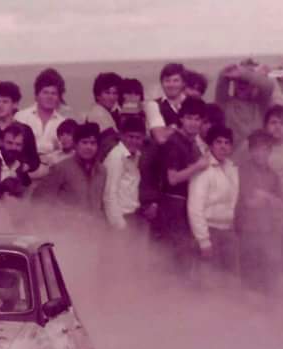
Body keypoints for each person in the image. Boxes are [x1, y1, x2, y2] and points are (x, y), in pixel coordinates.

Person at [153, 97, 209, 272]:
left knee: (185, 256)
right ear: (182, 119)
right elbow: (173, 178)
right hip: (173, 204)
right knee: (176, 257)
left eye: (197, 119)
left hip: (185, 204)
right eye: (189, 118)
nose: (193, 123)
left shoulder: (192, 143)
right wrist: (197, 166)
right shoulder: (174, 143)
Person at [187, 125, 240, 281]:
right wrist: (204, 241)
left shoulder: (232, 168)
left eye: (227, 143)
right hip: (209, 232)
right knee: (209, 282)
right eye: (218, 142)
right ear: (210, 145)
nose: (223, 146)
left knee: (230, 280)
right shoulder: (204, 168)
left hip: (228, 231)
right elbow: (195, 208)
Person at [235, 130, 283, 294]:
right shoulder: (242, 170)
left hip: (268, 231)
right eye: (256, 149)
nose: (260, 153)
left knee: (269, 276)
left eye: (264, 149)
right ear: (250, 151)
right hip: (247, 231)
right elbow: (250, 202)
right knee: (249, 277)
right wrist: (270, 199)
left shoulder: (274, 175)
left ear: (270, 151)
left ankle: (267, 308)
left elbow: (280, 204)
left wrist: (266, 196)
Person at [35, 122, 106, 216]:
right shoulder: (62, 168)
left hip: (93, 223)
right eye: (84, 142)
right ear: (75, 145)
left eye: (93, 143)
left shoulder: (102, 171)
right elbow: (40, 199)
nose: (89, 147)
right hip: (65, 223)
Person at [15, 68, 73, 170]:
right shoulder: (21, 117)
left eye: (53, 93)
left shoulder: (63, 123)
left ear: (59, 97)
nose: (49, 97)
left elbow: (67, 153)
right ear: (37, 95)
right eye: (45, 92)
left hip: (53, 171)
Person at [0, 81, 40, 174]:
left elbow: (34, 160)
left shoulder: (25, 130)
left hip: (19, 179)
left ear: (15, 104)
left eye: (5, 102)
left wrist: (24, 167)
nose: (0, 105)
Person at [215, 59, 273, 155]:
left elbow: (268, 86)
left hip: (257, 160)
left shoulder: (260, 106)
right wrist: (243, 72)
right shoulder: (224, 103)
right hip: (232, 160)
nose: (242, 84)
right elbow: (223, 75)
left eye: (246, 81)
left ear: (255, 83)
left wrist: (245, 73)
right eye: (239, 81)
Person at [103, 116, 147, 230]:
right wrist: (119, 224)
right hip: (120, 217)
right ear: (122, 136)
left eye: (138, 138)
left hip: (132, 215)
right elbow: (109, 193)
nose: (134, 141)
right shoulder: (116, 157)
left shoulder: (136, 155)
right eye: (130, 137)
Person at [144, 63, 186, 144]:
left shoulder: (192, 103)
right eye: (167, 81)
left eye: (176, 81)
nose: (171, 85)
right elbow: (160, 138)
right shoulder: (153, 105)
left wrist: (170, 128)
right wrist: (185, 127)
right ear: (162, 83)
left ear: (183, 83)